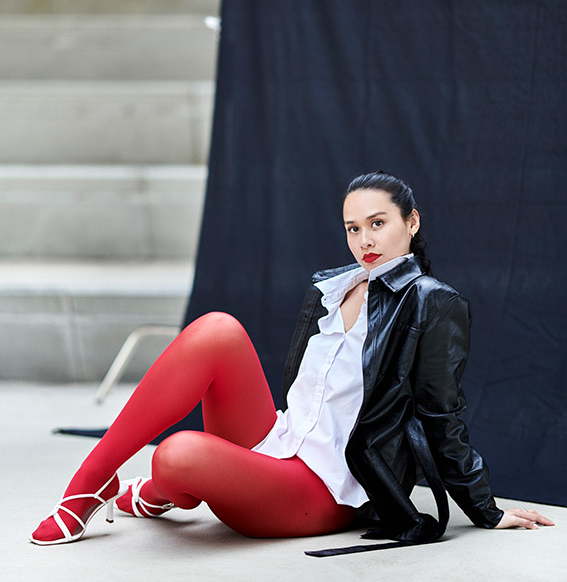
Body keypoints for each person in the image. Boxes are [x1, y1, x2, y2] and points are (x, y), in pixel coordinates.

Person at [30, 171, 553, 549]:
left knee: (176, 454)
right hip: (279, 442)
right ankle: (92, 484)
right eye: (353, 228)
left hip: (323, 487)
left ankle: (166, 491)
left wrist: (485, 509)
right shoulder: (334, 287)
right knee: (217, 329)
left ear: (411, 222)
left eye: (378, 223)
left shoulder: (432, 303)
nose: (365, 240)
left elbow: (442, 414)